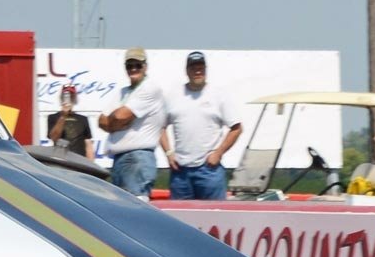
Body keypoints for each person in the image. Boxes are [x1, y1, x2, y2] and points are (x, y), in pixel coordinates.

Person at [158, 51, 242, 200]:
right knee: (179, 220)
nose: (198, 71)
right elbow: (159, 127)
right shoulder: (174, 95)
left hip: (209, 170)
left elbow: (236, 128)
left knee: (215, 218)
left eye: (201, 67)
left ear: (205, 69)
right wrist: (169, 153)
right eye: (193, 68)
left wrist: (218, 153)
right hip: (180, 171)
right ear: (187, 70)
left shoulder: (218, 95)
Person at [99, 47, 166, 198]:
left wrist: (114, 122)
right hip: (119, 159)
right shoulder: (122, 92)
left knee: (136, 209)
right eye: (129, 66)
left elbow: (120, 116)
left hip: (137, 158)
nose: (133, 69)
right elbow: (101, 121)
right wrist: (115, 122)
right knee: (120, 211)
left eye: (138, 65)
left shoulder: (149, 88)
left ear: (145, 66)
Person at [47, 85, 95, 159]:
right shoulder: (53, 117)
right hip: (60, 159)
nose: (68, 99)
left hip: (79, 160)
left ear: (74, 99)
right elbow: (54, 138)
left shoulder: (83, 119)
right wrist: (63, 116)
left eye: (71, 96)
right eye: (65, 96)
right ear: (61, 98)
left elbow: (88, 144)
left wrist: (91, 164)